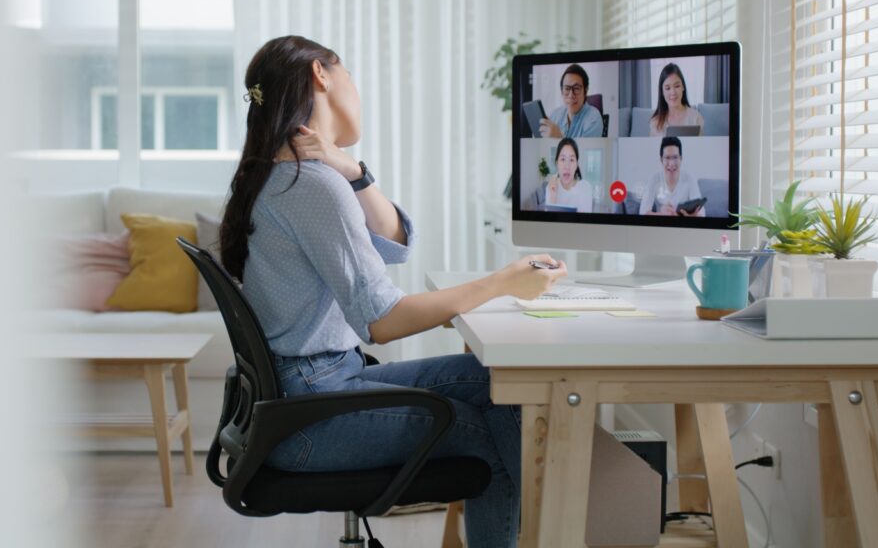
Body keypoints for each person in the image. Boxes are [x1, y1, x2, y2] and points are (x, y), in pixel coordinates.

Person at [219, 35, 567, 548]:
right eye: (351, 73)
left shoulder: (291, 173)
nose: (356, 89)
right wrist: (501, 283)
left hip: (305, 395)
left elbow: (396, 243)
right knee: (487, 433)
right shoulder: (309, 185)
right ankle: (562, 528)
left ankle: (556, 529)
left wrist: (353, 171)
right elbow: (382, 322)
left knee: (495, 378)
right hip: (312, 413)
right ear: (322, 74)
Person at [639, 136, 705, 216]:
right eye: (667, 158)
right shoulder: (654, 179)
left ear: (681, 159)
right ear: (661, 160)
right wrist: (663, 214)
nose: (671, 163)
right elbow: (643, 212)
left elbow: (702, 214)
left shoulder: (689, 178)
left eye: (675, 157)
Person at [539, 63, 604, 138]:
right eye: (567, 88)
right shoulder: (555, 114)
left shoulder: (594, 119)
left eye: (576, 88)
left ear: (585, 91)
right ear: (561, 92)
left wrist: (559, 138)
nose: (571, 95)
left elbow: (585, 150)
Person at [649, 63, 704, 136]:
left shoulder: (696, 117)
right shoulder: (655, 122)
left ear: (683, 87)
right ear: (662, 92)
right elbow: (652, 147)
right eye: (667, 88)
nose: (673, 92)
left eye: (677, 86)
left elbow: (701, 145)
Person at [544, 137, 593, 212]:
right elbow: (549, 222)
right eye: (563, 159)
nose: (567, 166)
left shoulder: (585, 188)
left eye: (571, 160)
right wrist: (553, 197)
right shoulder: (550, 187)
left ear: (577, 165)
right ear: (557, 163)